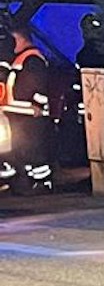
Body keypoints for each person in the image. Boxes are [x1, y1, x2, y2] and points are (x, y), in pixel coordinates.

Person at [1, 17, 56, 194]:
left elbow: (39, 85)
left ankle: (42, 183)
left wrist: (36, 106)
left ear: (22, 39)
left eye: (14, 39)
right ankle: (21, 183)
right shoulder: (19, 59)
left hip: (31, 115)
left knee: (33, 151)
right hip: (17, 113)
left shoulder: (32, 59)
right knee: (19, 150)